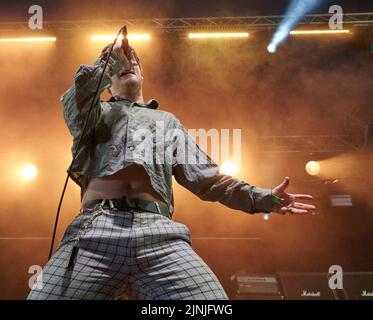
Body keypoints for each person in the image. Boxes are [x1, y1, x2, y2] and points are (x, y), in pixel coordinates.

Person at [27, 41, 315, 300]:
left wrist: (266, 199)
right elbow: (77, 94)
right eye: (120, 65)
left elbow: (208, 180)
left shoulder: (167, 121)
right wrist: (109, 59)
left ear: (143, 75)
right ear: (107, 80)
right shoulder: (94, 113)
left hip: (160, 237)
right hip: (95, 232)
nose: (128, 66)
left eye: (134, 63)